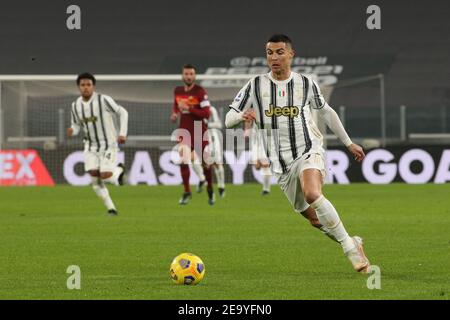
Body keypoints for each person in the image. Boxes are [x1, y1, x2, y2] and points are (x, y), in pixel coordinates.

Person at [225, 34, 370, 273]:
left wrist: (348, 142)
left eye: (280, 52)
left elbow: (326, 112)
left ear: (291, 54)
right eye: (270, 52)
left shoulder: (305, 83)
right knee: (315, 219)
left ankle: (348, 247)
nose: (274, 57)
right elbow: (229, 118)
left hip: (308, 149)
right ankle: (353, 240)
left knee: (313, 192)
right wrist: (242, 116)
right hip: (280, 164)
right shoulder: (255, 85)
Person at [67, 73, 128, 215]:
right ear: (78, 87)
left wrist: (122, 133)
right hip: (90, 146)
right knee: (95, 179)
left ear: (93, 86)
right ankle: (111, 208)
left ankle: (119, 170)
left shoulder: (103, 100)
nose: (86, 88)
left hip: (108, 144)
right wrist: (72, 130)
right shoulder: (75, 105)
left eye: (88, 85)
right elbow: (76, 125)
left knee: (105, 174)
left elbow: (123, 112)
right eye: (83, 85)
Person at [170, 64, 214, 205]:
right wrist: (175, 114)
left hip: (199, 130)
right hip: (184, 130)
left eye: (191, 74)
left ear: (195, 76)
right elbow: (176, 106)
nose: (188, 76)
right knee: (183, 160)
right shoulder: (177, 91)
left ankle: (210, 189)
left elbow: (206, 113)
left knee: (206, 165)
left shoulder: (200, 92)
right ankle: (187, 191)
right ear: (182, 76)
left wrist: (189, 108)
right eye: (186, 74)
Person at [245, 120, 271, 195]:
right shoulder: (252, 109)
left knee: (265, 165)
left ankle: (266, 189)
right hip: (254, 140)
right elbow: (248, 118)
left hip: (265, 138)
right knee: (257, 166)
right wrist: (246, 129)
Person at [205, 105, 226, 197]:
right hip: (201, 137)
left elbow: (219, 124)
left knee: (217, 162)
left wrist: (207, 125)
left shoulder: (211, 109)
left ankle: (221, 186)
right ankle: (213, 186)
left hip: (212, 137)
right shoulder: (194, 109)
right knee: (209, 164)